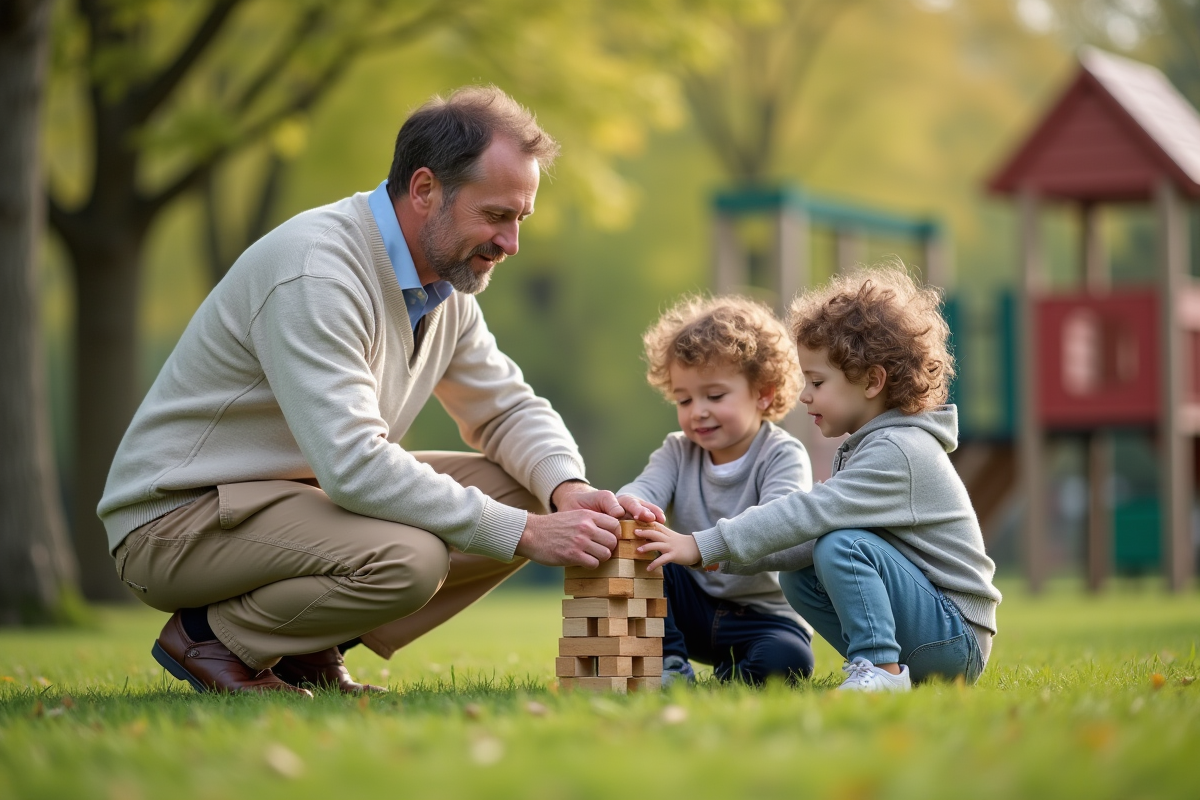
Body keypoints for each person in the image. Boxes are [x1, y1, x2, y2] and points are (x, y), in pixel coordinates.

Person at [98, 86, 662, 697]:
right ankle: (215, 637)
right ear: (425, 191)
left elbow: (505, 407)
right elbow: (353, 465)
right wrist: (524, 534)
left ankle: (302, 648)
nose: (510, 244)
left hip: (286, 500)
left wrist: (567, 491)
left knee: (531, 493)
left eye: (519, 219)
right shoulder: (316, 270)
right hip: (177, 522)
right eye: (495, 215)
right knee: (412, 557)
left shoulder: (444, 287)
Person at [636, 263, 1001, 692]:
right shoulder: (873, 445)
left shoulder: (899, 451)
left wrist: (702, 544)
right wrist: (711, 553)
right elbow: (797, 540)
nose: (805, 395)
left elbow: (807, 513)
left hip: (955, 639)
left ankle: (879, 670)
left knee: (839, 543)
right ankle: (879, 668)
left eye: (816, 381)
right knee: (802, 567)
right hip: (929, 631)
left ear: (872, 380)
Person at [616, 296, 815, 686]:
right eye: (684, 399)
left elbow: (780, 525)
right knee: (648, 549)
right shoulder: (678, 449)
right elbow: (646, 488)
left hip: (764, 616)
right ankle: (669, 662)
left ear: (763, 393)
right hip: (694, 610)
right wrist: (628, 504)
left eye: (715, 396)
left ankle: (735, 675)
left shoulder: (782, 455)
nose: (697, 411)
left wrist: (702, 544)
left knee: (787, 660)